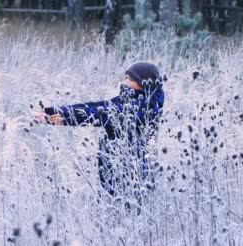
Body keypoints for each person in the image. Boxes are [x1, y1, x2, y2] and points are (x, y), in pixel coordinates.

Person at [36, 62, 165, 199]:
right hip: (115, 166)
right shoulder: (132, 99)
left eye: (131, 79)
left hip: (129, 170)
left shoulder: (143, 106)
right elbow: (97, 106)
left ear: (144, 83)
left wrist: (65, 118)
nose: (126, 82)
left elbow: (100, 114)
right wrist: (55, 111)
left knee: (122, 208)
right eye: (126, 78)